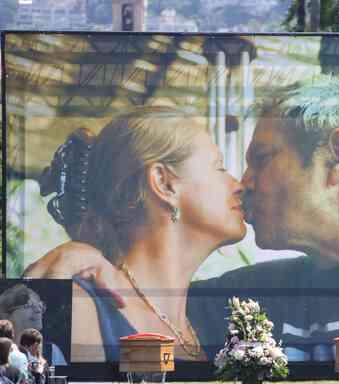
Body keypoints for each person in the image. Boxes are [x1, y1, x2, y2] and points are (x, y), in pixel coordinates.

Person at [25, 76, 339, 362]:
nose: (243, 181)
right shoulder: (231, 300)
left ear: (337, 156)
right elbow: (138, 291)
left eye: (262, 158)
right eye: (227, 166)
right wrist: (81, 253)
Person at [31, 106, 246, 362]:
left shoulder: (205, 323)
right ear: (164, 183)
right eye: (219, 167)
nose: (238, 185)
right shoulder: (83, 307)